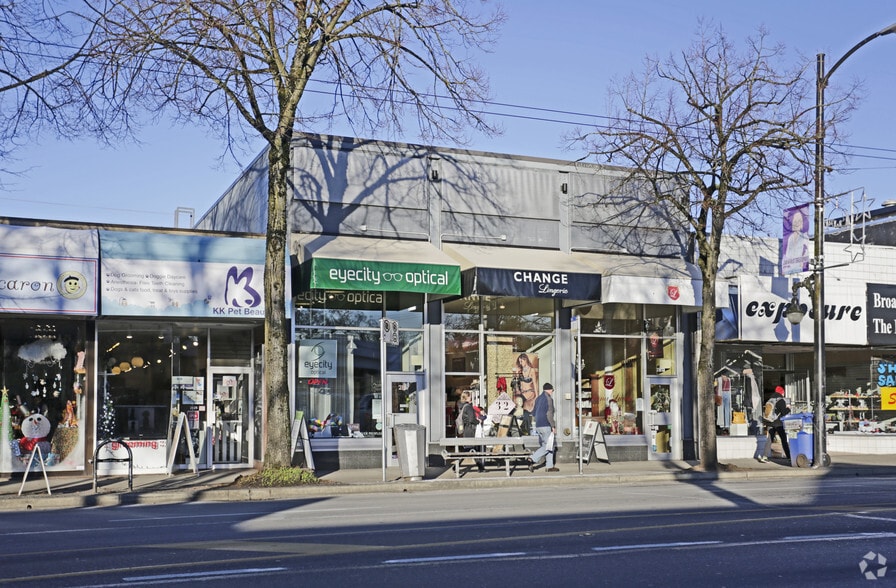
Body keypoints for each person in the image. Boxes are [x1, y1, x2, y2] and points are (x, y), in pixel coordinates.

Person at [527, 382, 558, 472]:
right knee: (548, 446)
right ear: (549, 389)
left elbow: (533, 413)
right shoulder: (549, 399)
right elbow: (549, 414)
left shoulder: (538, 398)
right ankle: (532, 458)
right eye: (552, 390)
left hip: (538, 425)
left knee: (548, 445)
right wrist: (553, 426)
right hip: (546, 425)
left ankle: (549, 466)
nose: (552, 392)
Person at [759, 386, 791, 463]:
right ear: (781, 392)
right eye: (783, 392)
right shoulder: (781, 400)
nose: (783, 393)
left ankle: (764, 457)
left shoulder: (770, 399)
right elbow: (784, 412)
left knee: (769, 440)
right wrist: (788, 408)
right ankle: (789, 457)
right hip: (778, 423)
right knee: (784, 440)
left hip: (770, 422)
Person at [457, 390, 485, 472]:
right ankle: (457, 466)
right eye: (470, 396)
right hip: (470, 429)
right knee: (469, 448)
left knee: (470, 449)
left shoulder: (462, 406)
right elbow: (471, 419)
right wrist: (478, 421)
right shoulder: (468, 407)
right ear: (467, 397)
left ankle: (480, 467)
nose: (472, 398)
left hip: (467, 429)